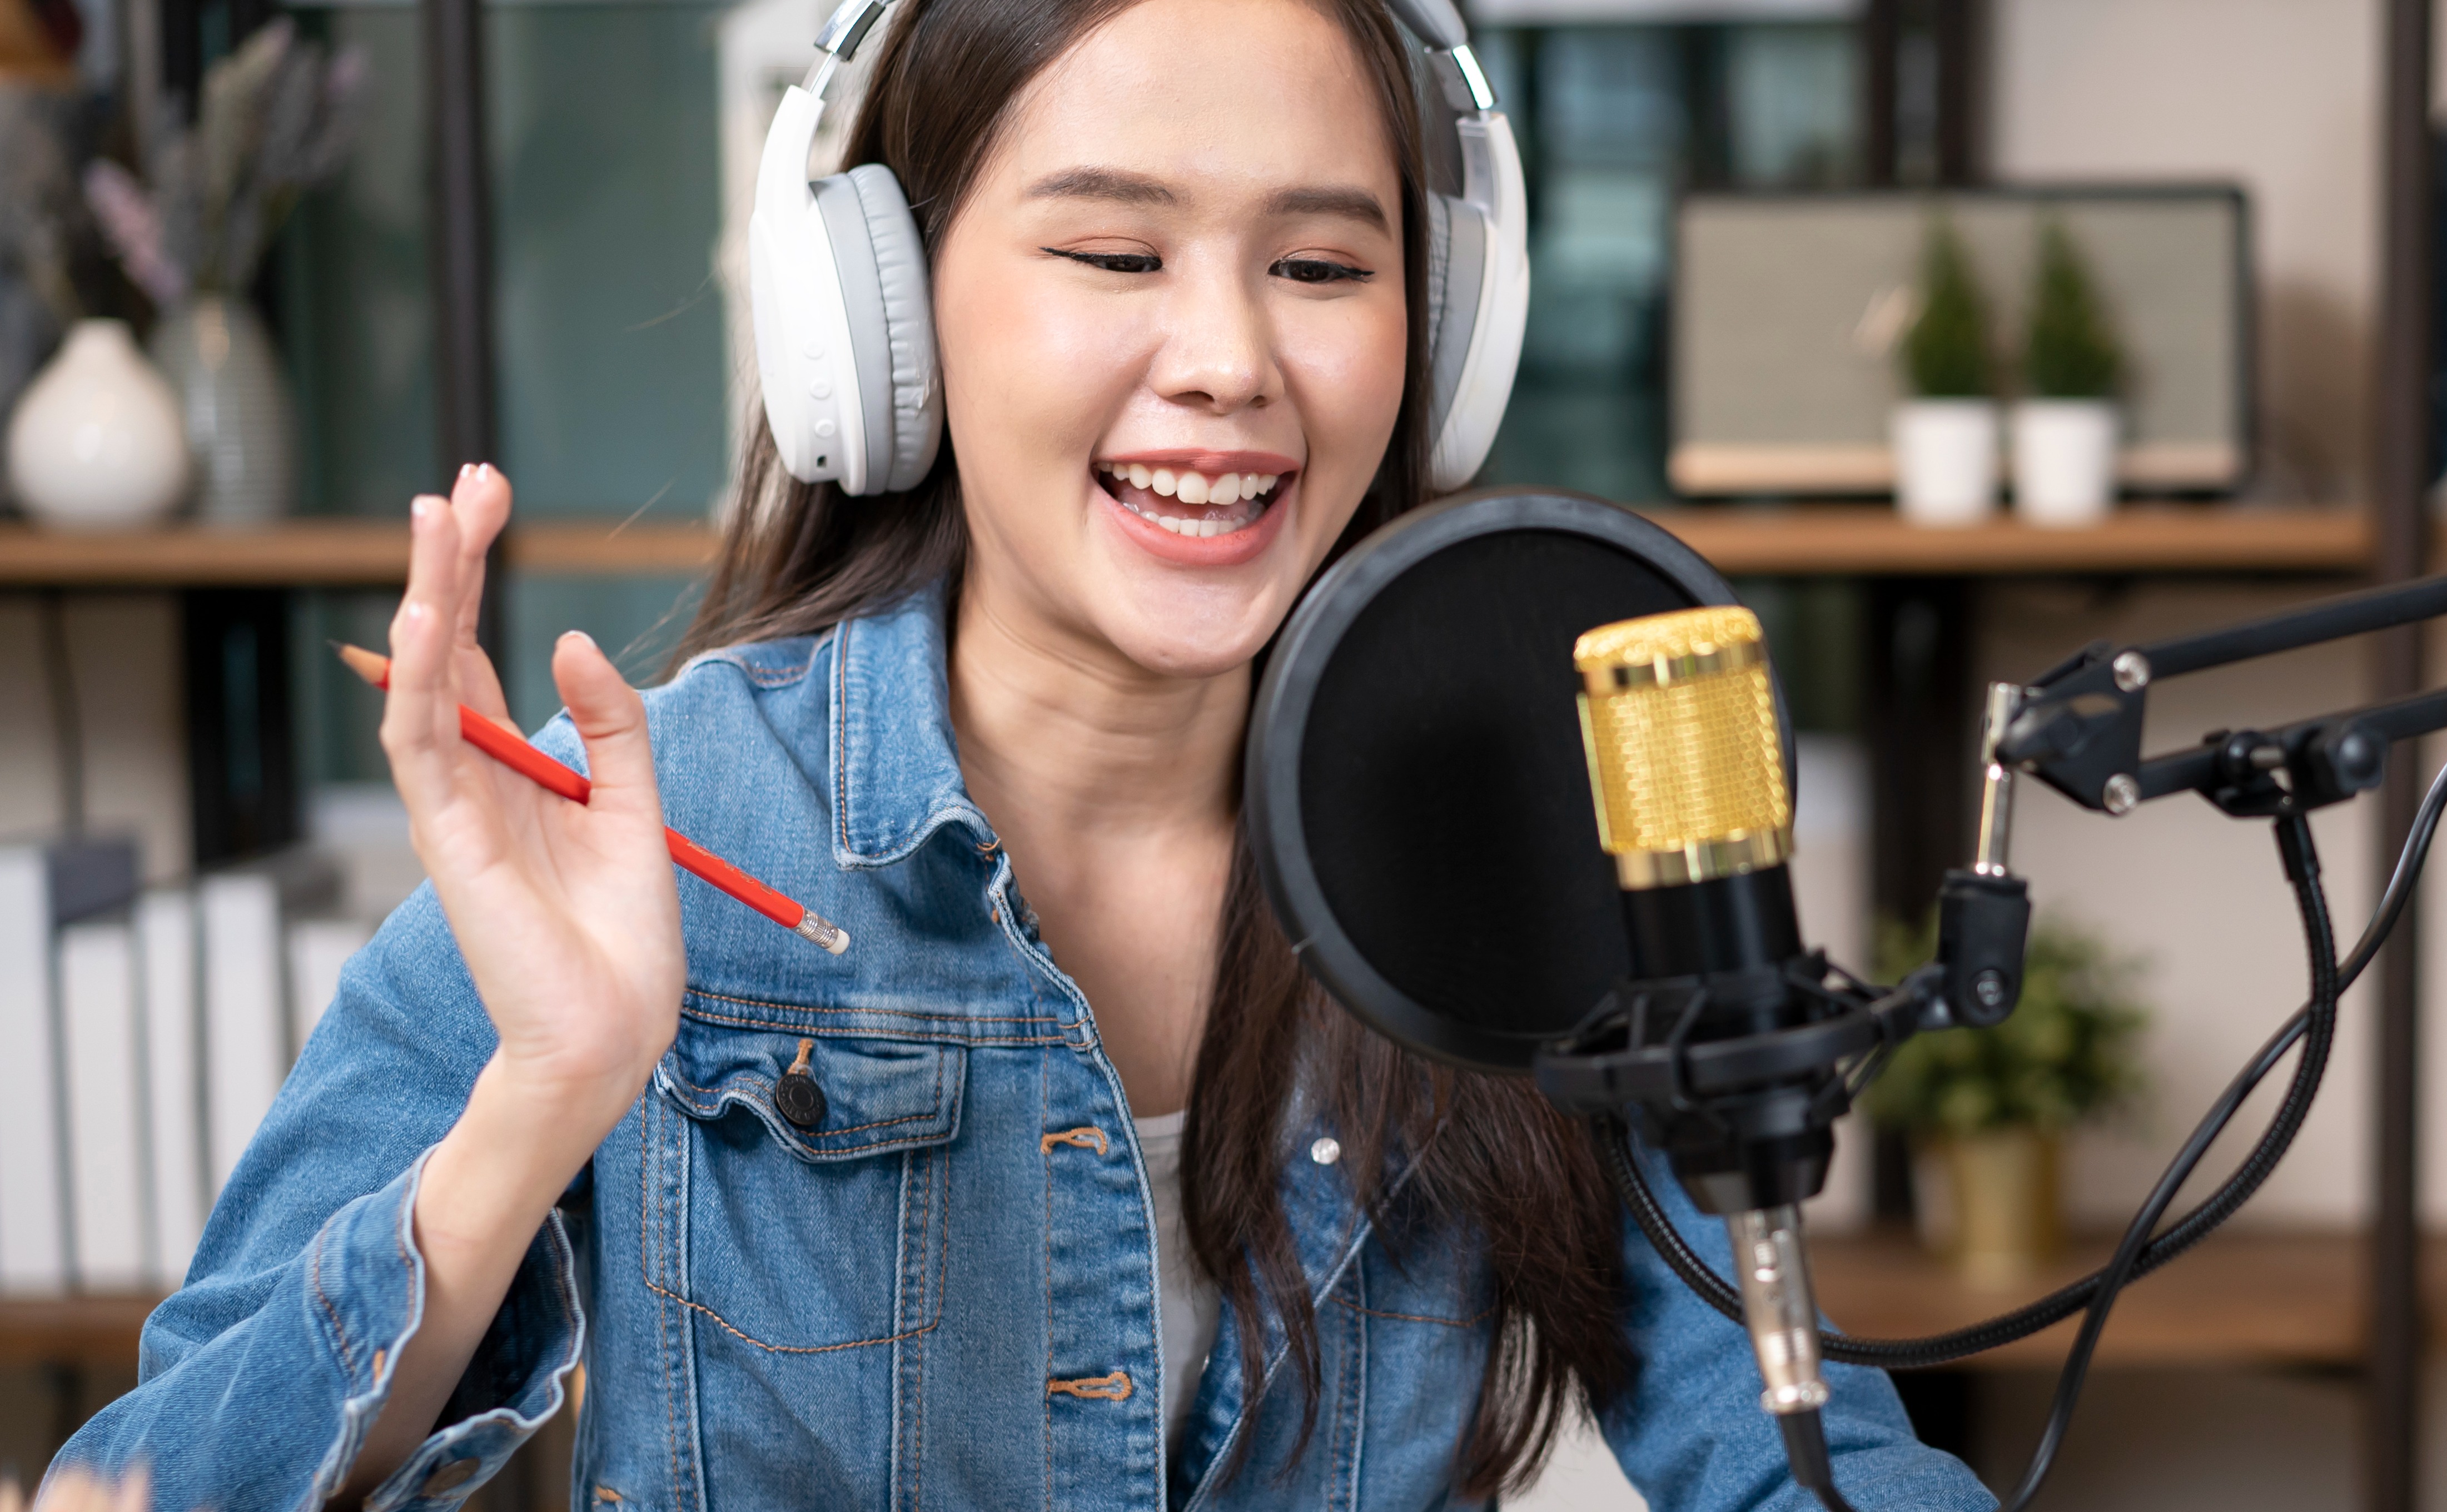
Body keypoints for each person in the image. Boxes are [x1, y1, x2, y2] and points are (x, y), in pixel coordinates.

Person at [48, 0, 1994, 1506]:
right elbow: (134, 1488)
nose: (1229, 361)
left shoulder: (1524, 838)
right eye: (1117, 255)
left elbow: (1794, 1448)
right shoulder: (654, 827)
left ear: (1447, 330)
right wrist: (535, 1110)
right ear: (879, 320)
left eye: (1322, 268)